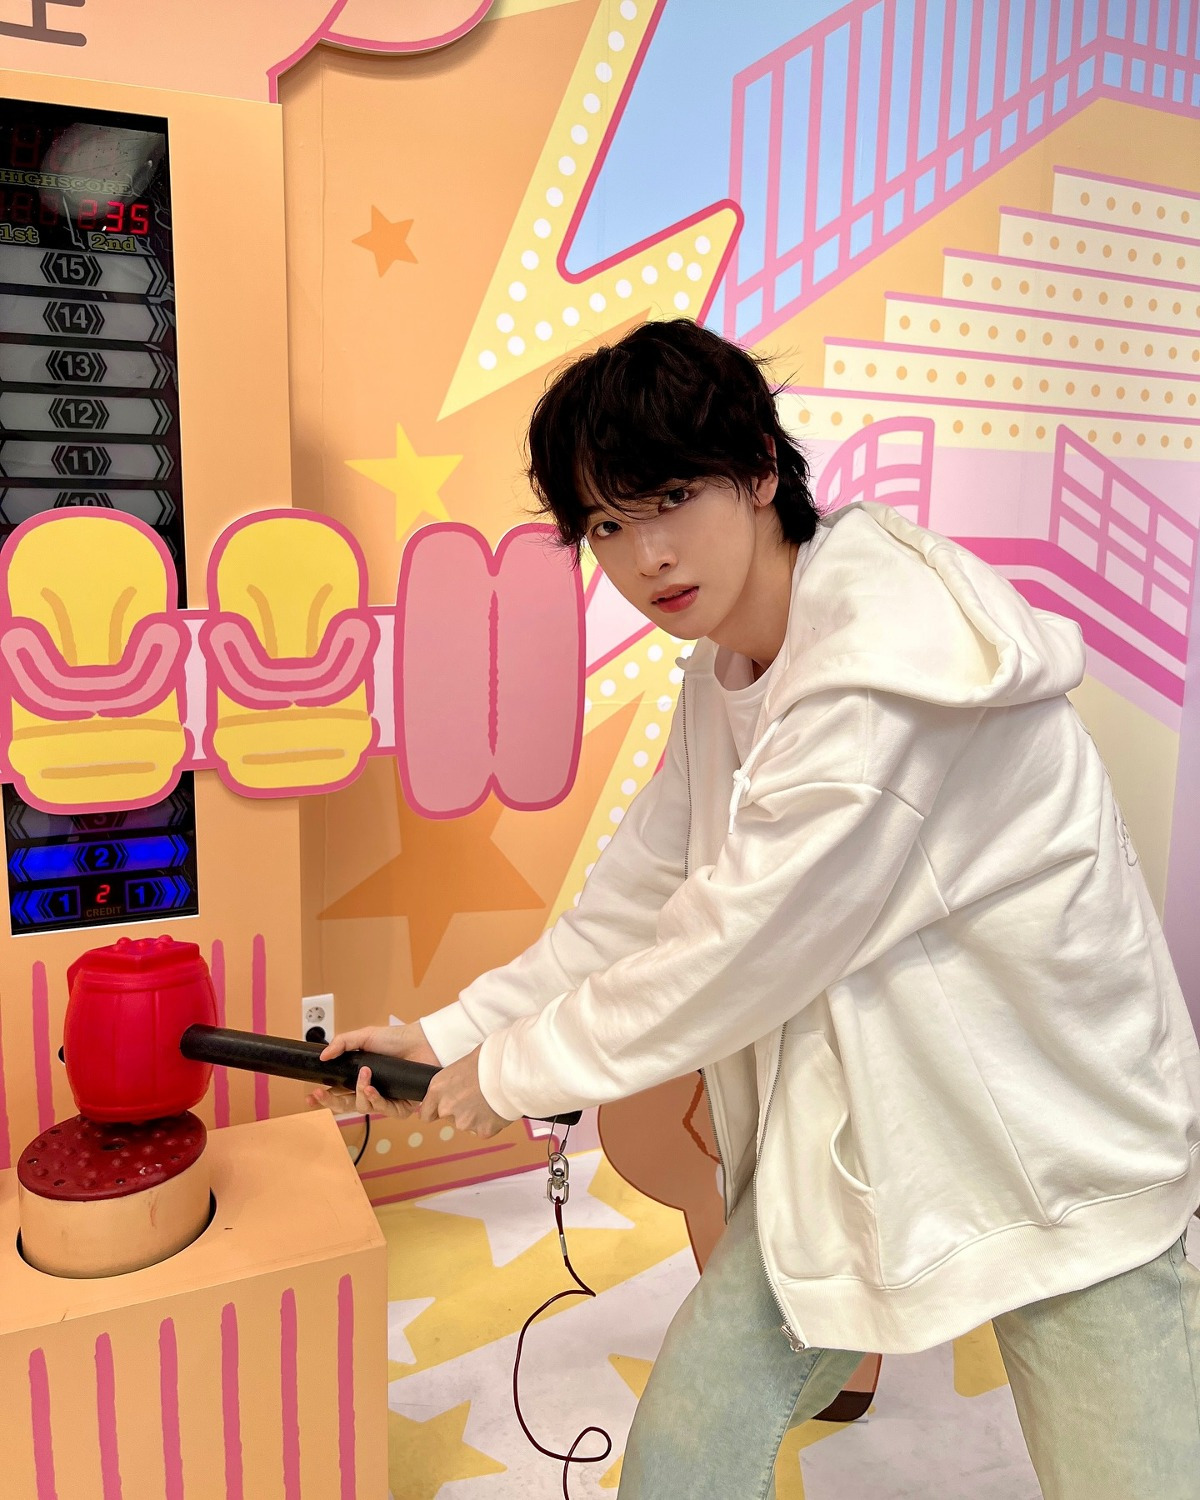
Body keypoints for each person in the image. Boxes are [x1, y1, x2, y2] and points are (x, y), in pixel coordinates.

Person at [310, 318, 1200, 1500]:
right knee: (684, 1455)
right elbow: (633, 907)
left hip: (1059, 1157)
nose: (646, 555)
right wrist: (444, 1037)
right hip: (867, 1149)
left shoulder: (882, 675)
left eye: (673, 497)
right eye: (606, 525)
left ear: (763, 470)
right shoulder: (724, 673)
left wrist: (508, 1074)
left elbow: (728, 955)